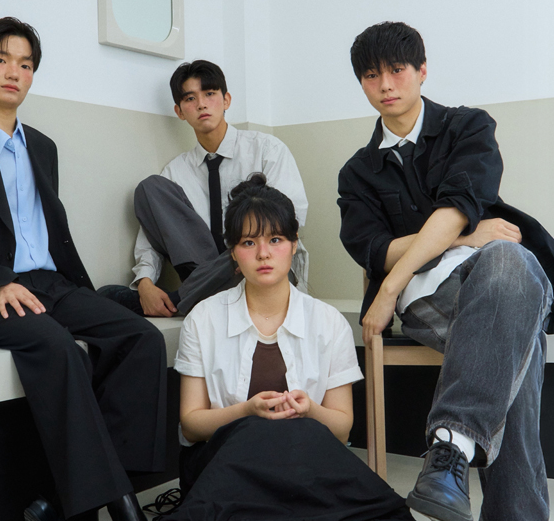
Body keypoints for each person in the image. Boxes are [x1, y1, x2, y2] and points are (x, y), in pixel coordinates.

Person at [0, 17, 166, 521]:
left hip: (49, 284)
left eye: (25, 64)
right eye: (1, 60)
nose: (13, 72)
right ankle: (119, 507)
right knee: (58, 347)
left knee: (141, 339)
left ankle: (80, 494)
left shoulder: (42, 146)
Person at [338, 22, 554, 521]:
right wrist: (462, 236)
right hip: (427, 293)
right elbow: (374, 249)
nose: (386, 85)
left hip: (497, 277)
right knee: (518, 343)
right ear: (361, 82)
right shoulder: (357, 172)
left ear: (422, 70)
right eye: (372, 75)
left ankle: (451, 446)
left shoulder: (467, 127)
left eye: (397, 70)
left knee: (511, 258)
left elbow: (459, 204)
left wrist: (395, 281)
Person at [165, 174, 414, 521]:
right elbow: (192, 425)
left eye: (276, 239)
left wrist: (309, 409)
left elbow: (341, 428)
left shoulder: (328, 322)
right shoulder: (203, 319)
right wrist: (247, 411)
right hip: (225, 464)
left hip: (303, 462)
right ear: (233, 253)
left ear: (295, 244)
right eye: (248, 242)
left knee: (384, 509)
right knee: (255, 436)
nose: (263, 253)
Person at [100, 60, 309, 317]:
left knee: (247, 243)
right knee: (149, 188)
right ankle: (206, 291)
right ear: (179, 111)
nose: (201, 104)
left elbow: (290, 220)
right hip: (208, 274)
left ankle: (183, 299)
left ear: (226, 100)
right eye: (190, 98)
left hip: (263, 268)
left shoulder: (267, 150)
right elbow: (152, 239)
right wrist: (145, 284)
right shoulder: (175, 172)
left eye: (209, 94)